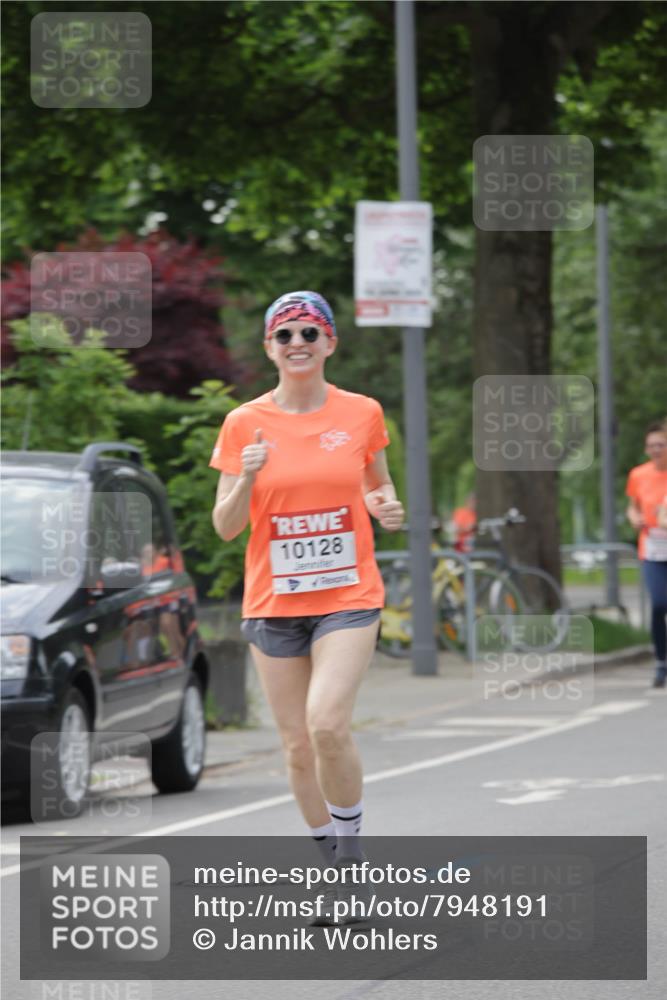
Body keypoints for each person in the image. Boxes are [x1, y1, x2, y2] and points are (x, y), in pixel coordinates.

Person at [209, 291, 404, 921]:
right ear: (269, 346)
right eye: (285, 334)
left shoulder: (363, 412)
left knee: (326, 723)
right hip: (273, 602)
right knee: (296, 746)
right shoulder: (244, 423)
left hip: (348, 594)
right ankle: (333, 865)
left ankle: (351, 864)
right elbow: (224, 527)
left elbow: (377, 484)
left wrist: (386, 507)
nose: (298, 343)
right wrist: (245, 477)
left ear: (330, 344)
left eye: (310, 333)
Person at [625, 420, 667, 688]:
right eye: (651, 445)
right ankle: (661, 660)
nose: (655, 449)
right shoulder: (639, 475)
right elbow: (632, 506)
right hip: (651, 549)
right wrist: (634, 518)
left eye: (661, 445)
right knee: (659, 603)